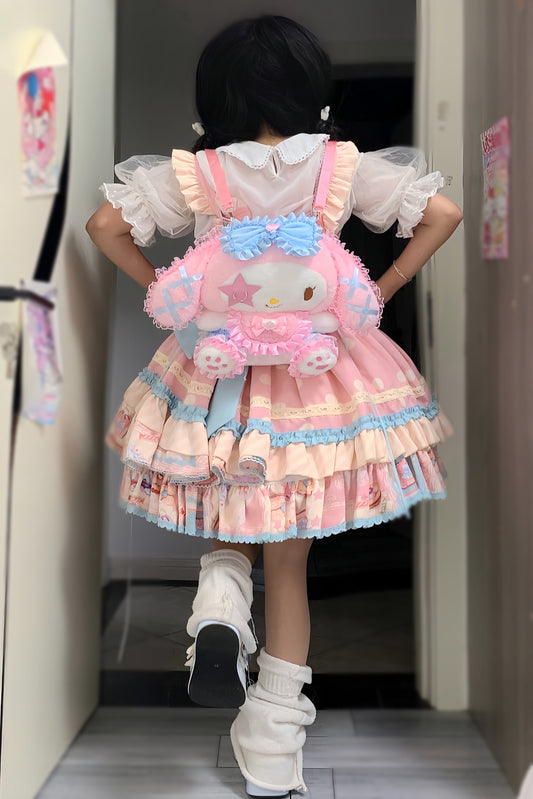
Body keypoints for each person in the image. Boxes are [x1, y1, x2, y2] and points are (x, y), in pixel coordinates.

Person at [86, 14, 462, 798]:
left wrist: (170, 297)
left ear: (218, 94)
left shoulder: (201, 173)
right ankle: (270, 755)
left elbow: (104, 225)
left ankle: (221, 600)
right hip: (316, 372)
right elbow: (442, 214)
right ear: (306, 88)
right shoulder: (338, 166)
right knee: (290, 558)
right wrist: (380, 288)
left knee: (233, 511)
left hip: (217, 366)